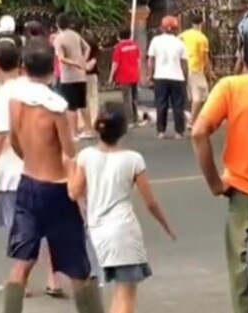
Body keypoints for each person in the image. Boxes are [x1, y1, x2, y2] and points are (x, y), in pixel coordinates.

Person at [2, 38, 104, 313]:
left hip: (28, 183)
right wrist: (79, 192)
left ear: (24, 68)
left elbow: (14, 141)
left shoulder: (15, 101)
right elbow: (69, 153)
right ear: (53, 68)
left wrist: (32, 160)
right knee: (78, 267)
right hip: (56, 189)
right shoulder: (55, 106)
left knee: (22, 263)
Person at [68, 102, 176, 313]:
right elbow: (150, 202)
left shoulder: (85, 156)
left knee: (118, 295)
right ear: (123, 129)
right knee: (126, 296)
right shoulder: (133, 159)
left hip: (97, 233)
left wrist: (69, 168)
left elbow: (73, 192)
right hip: (124, 232)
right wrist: (166, 226)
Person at [0, 39, 63, 299]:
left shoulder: (5, 94)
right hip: (45, 169)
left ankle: (21, 282)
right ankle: (54, 279)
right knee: (50, 226)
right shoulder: (36, 88)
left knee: (22, 230)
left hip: (12, 171)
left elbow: (1, 135)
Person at [191, 11, 248, 313]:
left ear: (243, 49)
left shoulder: (231, 87)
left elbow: (199, 132)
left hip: (246, 201)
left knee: (246, 289)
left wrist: (215, 183)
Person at [147, 16, 188, 139]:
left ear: (161, 28)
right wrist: (185, 77)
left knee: (161, 104)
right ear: (176, 29)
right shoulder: (180, 42)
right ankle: (179, 132)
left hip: (160, 77)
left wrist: (150, 75)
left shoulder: (155, 41)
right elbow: (184, 63)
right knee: (178, 105)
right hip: (177, 77)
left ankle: (161, 131)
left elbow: (151, 60)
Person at [55, 13, 91, 138]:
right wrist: (83, 61)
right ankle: (89, 130)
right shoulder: (75, 35)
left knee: (71, 106)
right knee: (83, 103)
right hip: (81, 75)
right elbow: (87, 47)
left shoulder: (59, 38)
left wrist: (74, 63)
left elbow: (61, 58)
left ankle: (73, 133)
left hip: (68, 76)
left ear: (58, 24)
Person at [180, 12, 212, 128]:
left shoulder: (183, 35)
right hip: (196, 68)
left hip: (186, 68)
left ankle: (194, 118)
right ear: (201, 24)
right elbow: (205, 57)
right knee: (198, 97)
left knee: (203, 95)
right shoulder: (202, 38)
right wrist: (210, 70)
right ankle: (192, 121)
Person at [109, 28, 142, 126]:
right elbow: (139, 61)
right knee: (134, 98)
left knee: (126, 98)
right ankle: (136, 118)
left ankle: (130, 120)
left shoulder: (119, 47)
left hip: (124, 76)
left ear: (119, 36)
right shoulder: (135, 45)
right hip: (134, 75)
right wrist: (139, 73)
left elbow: (115, 64)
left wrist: (111, 77)